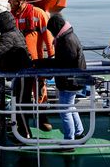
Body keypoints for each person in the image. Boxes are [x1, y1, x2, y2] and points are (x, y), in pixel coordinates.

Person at [8, 0, 54, 131]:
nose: (9, 1)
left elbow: (49, 38)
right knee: (23, 95)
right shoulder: (11, 17)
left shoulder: (38, 14)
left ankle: (42, 119)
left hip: (37, 63)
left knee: (40, 91)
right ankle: (24, 124)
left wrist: (51, 58)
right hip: (19, 64)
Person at [35, 13, 85, 143]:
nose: (51, 34)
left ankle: (69, 140)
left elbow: (63, 63)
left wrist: (43, 63)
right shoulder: (67, 36)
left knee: (64, 111)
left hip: (69, 81)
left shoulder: (67, 40)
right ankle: (79, 132)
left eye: (52, 31)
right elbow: (63, 61)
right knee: (70, 107)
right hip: (73, 80)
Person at [0, 11, 33, 139]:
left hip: (22, 74)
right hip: (24, 73)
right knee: (21, 103)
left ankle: (26, 135)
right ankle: (22, 131)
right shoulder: (16, 32)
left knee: (20, 104)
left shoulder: (8, 36)